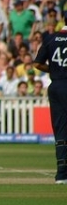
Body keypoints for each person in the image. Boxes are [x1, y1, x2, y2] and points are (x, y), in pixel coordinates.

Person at [34, 21, 67, 184]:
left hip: (56, 86)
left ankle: (62, 175)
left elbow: (37, 63)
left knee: (61, 130)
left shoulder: (51, 39)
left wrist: (53, 70)